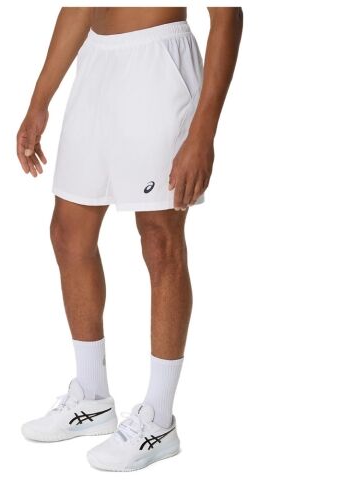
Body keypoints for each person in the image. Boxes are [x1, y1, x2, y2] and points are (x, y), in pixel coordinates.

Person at [16, 7, 242, 471]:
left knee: (159, 240)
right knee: (67, 232)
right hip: (98, 64)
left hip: (158, 63)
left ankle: (158, 420)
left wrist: (202, 132)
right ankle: (92, 397)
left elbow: (228, 17)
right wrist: (40, 101)